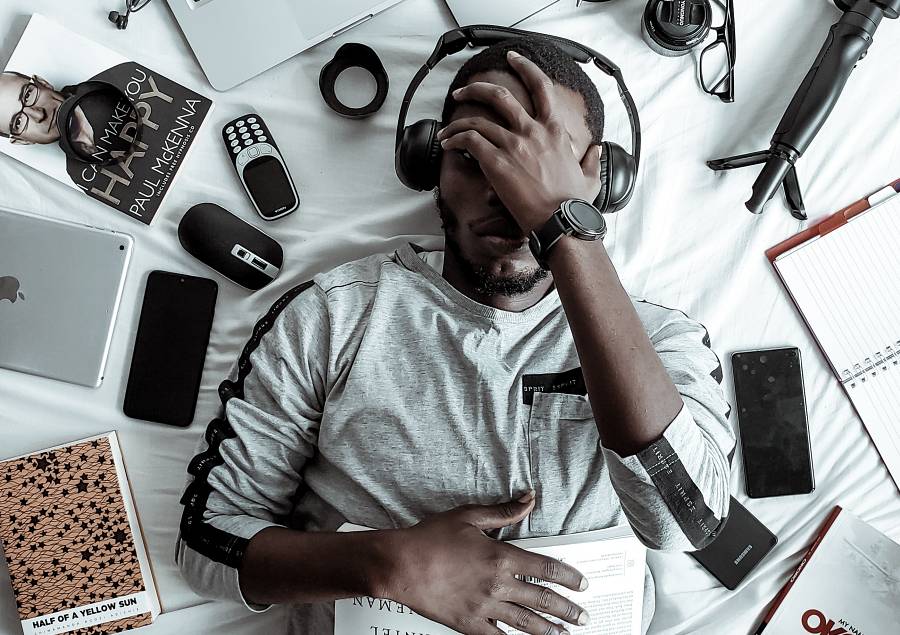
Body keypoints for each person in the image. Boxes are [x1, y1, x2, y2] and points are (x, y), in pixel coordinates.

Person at [176, 36, 734, 635]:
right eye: (477, 155)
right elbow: (207, 549)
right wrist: (388, 563)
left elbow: (689, 525)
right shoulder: (331, 318)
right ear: (429, 166)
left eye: (542, 162)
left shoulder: (661, 340)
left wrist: (564, 227)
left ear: (598, 177)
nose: (508, 191)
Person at [0, 71, 97, 158]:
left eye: (28, 95)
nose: (39, 115)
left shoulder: (104, 85)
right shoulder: (77, 173)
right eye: (18, 122)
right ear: (22, 141)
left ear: (42, 83)